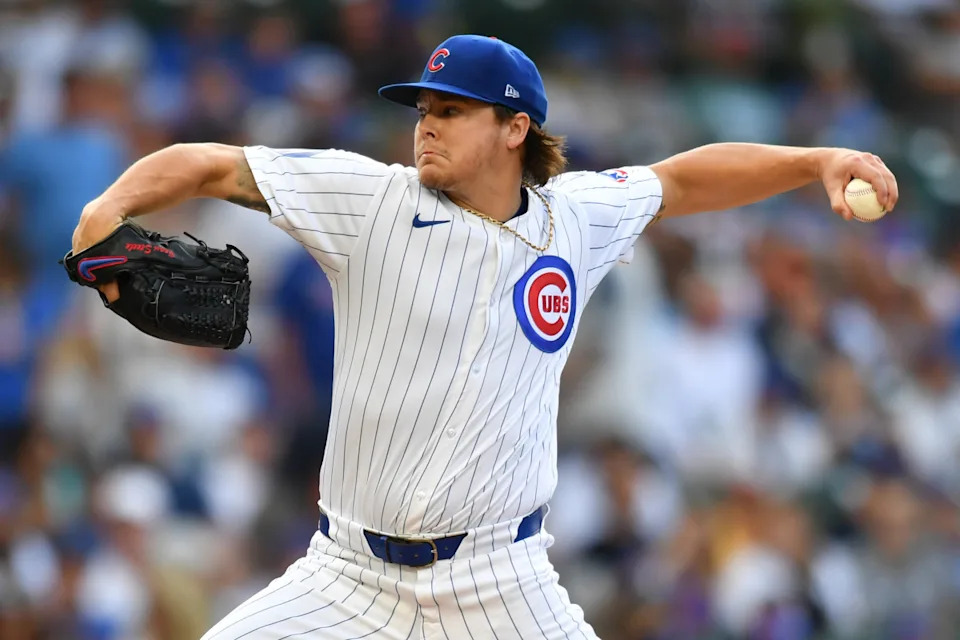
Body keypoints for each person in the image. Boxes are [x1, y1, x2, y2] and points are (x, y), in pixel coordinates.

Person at [70, 35, 898, 639]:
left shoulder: (576, 218)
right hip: (347, 576)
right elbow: (214, 164)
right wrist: (108, 208)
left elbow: (682, 179)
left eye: (451, 110)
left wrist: (815, 160)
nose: (426, 125)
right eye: (423, 110)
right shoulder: (371, 201)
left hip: (500, 582)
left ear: (514, 127)